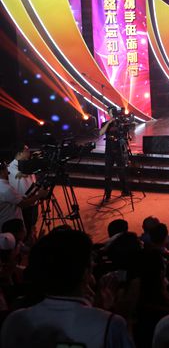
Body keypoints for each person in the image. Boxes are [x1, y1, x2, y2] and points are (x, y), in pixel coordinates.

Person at [1, 229, 135, 348]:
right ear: (86, 273)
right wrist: (120, 316)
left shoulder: (15, 321)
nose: (94, 264)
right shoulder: (110, 324)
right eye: (91, 261)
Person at [98, 107, 132, 202]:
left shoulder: (121, 123)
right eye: (109, 112)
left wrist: (126, 135)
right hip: (109, 151)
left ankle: (125, 190)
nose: (111, 114)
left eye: (112, 112)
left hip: (119, 150)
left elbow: (126, 134)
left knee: (121, 171)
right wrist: (109, 122)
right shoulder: (106, 124)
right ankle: (108, 194)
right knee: (108, 173)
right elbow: (100, 133)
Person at [0, 162, 44, 231]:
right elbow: (23, 204)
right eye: (6, 168)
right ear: (2, 171)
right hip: (10, 224)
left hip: (5, 222)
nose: (8, 170)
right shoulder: (6, 188)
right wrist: (39, 195)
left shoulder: (3, 186)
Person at [7, 143, 36, 234]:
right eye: (27, 151)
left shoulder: (26, 164)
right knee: (26, 228)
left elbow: (33, 180)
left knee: (32, 225)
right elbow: (21, 176)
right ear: (20, 153)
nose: (29, 153)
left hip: (32, 200)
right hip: (23, 204)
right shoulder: (11, 168)